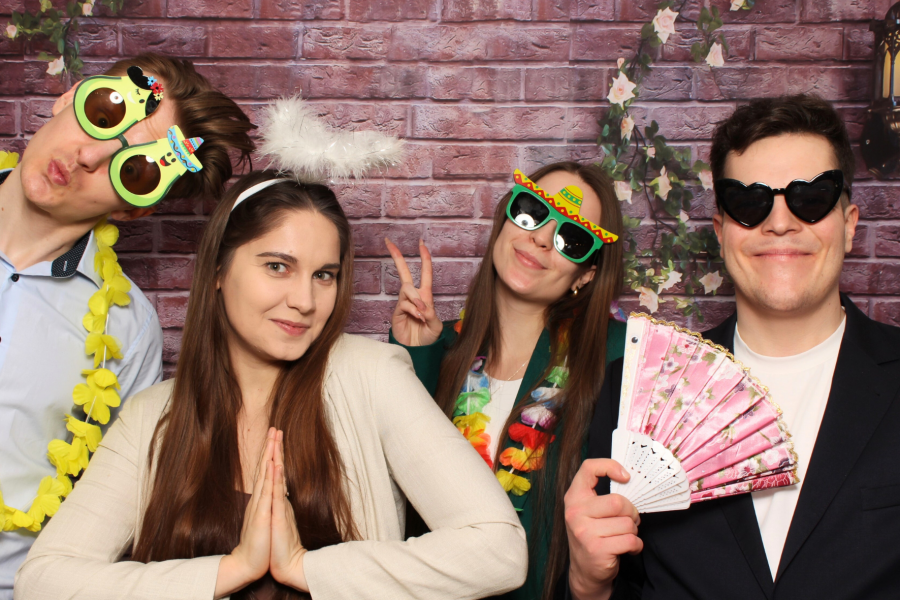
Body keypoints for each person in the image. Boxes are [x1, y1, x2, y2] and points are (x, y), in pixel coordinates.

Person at [14, 171, 528, 600]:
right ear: (218, 270)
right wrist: (231, 570)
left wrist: (304, 568)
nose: (304, 300)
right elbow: (43, 582)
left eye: (324, 275)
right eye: (278, 267)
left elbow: (499, 550)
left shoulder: (373, 377)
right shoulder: (153, 417)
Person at [565, 94, 900, 599]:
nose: (780, 223)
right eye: (749, 202)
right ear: (721, 232)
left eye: (811, 197)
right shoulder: (634, 392)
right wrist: (588, 583)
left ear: (849, 224)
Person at [0, 52, 255, 598]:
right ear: (66, 98)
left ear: (132, 210)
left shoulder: (126, 334)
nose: (88, 156)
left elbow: (106, 515)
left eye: (131, 169)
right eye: (102, 112)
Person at [387, 162, 626, 600]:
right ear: (505, 220)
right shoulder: (439, 349)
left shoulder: (616, 363)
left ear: (586, 274)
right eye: (532, 211)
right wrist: (416, 356)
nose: (541, 238)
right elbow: (391, 503)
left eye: (572, 238)